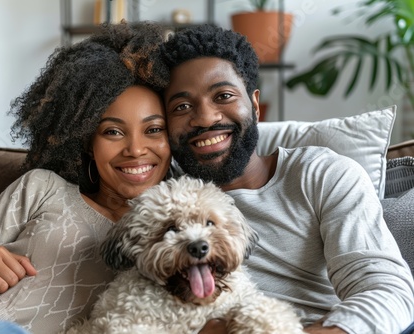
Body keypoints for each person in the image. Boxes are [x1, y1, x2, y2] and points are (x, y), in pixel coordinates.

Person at [151, 24, 414, 334]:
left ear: (255, 105)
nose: (206, 118)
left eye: (223, 95)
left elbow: (386, 289)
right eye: (182, 106)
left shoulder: (322, 174)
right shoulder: (159, 197)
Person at [0, 22, 172, 333]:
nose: (135, 149)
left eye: (154, 130)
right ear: (87, 142)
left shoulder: (177, 235)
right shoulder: (43, 187)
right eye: (112, 132)